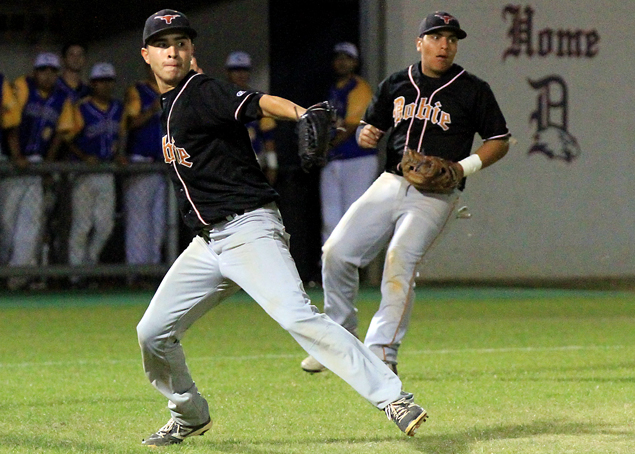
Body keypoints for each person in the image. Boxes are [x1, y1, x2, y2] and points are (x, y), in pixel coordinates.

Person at [136, 9, 427, 446]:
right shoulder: (168, 106)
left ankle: (393, 397)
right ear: (146, 55)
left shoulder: (203, 90)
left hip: (249, 230)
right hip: (209, 243)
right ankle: (189, 413)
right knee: (152, 333)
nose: (172, 52)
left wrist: (301, 113)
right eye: (163, 44)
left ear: (192, 50)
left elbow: (255, 102)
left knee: (297, 315)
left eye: (180, 43)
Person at [301, 11, 511, 375]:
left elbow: (499, 140)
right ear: (420, 43)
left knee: (400, 260)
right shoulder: (396, 83)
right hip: (392, 180)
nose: (445, 45)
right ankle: (337, 337)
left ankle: (383, 354)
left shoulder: (472, 89)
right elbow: (372, 125)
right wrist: (367, 133)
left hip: (437, 194)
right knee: (336, 252)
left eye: (451, 39)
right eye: (436, 37)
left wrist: (464, 167)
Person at [0, 53, 75, 290]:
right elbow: (11, 123)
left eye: (52, 71)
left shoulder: (61, 98)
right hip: (12, 165)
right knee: (6, 221)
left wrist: (47, 164)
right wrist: (16, 156)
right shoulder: (21, 87)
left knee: (30, 224)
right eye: (44, 70)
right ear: (35, 72)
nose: (48, 75)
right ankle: (5, 269)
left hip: (35, 164)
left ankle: (17, 277)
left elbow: (61, 134)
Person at [67, 62, 125, 287]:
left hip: (106, 171)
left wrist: (119, 153)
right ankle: (74, 274)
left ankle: (88, 266)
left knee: (105, 225)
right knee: (82, 224)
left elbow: (120, 136)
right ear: (92, 84)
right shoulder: (80, 107)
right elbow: (66, 138)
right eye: (101, 81)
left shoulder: (118, 108)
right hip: (84, 172)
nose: (105, 85)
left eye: (109, 81)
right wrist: (82, 156)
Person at [320, 42, 377, 244]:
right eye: (339, 57)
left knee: (353, 218)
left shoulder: (360, 88)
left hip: (357, 159)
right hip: (335, 159)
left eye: (347, 58)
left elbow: (350, 126)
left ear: (355, 62)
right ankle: (330, 272)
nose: (342, 62)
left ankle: (352, 271)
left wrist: (322, 148)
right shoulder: (333, 89)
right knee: (330, 219)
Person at [225, 50, 278, 185]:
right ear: (228, 72)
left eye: (244, 70)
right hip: (226, 165)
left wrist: (272, 166)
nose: (241, 74)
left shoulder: (257, 100)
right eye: (236, 70)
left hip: (253, 165)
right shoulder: (219, 99)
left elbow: (268, 137)